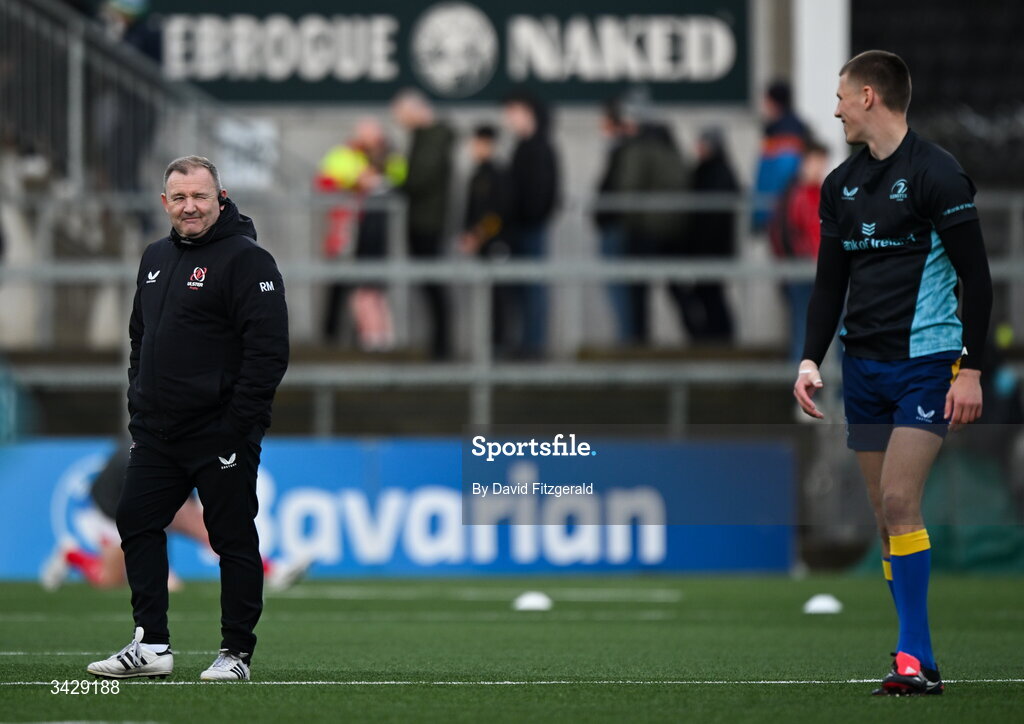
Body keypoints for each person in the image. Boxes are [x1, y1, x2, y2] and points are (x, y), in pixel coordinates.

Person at [793, 51, 992, 696]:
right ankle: (920, 659)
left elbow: (978, 279)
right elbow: (829, 286)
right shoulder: (840, 185)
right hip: (866, 370)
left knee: (903, 502)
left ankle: (913, 658)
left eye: (842, 96)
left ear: (871, 96)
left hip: (927, 366)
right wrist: (808, 359)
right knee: (886, 520)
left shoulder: (938, 174)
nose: (836, 108)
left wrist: (972, 370)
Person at [86, 156, 289, 682]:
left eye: (200, 196)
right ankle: (151, 645)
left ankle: (235, 654)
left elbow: (268, 353)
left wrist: (237, 424)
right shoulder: (154, 258)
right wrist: (139, 402)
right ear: (165, 203)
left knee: (231, 538)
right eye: (179, 198)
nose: (190, 207)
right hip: (157, 431)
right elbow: (140, 339)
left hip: (219, 431)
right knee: (134, 519)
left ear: (220, 198)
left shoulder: (249, 261)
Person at [40, 437, 311, 593]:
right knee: (109, 581)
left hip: (147, 499)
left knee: (212, 530)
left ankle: (272, 571)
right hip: (109, 512)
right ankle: (70, 555)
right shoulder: (140, 456)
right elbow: (138, 517)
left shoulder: (182, 444)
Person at [316, 119, 406, 346]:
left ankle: (366, 339)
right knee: (340, 282)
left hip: (371, 228)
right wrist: (357, 181)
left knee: (368, 285)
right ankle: (332, 336)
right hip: (345, 227)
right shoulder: (343, 154)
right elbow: (324, 182)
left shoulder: (387, 156)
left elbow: (400, 177)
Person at [391, 89, 455, 359]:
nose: (401, 122)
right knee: (430, 285)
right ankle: (439, 346)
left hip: (429, 222)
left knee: (434, 285)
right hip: (422, 220)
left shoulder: (434, 138)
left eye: (403, 116)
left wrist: (396, 186)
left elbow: (420, 178)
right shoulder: (424, 137)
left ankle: (442, 348)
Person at [667, 128, 737, 343]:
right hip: (706, 246)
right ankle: (712, 337)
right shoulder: (707, 171)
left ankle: (717, 338)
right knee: (707, 293)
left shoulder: (716, 173)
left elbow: (713, 218)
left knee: (711, 293)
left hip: (711, 247)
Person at [503, 91, 559, 358]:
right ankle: (526, 343)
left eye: (512, 112)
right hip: (520, 230)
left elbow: (543, 194)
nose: (508, 119)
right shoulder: (525, 146)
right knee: (522, 291)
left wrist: (527, 218)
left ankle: (533, 346)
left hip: (530, 229)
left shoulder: (538, 148)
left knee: (532, 289)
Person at [770, 139, 830, 360]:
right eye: (815, 162)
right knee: (802, 332)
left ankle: (839, 391)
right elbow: (783, 235)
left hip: (827, 272)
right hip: (802, 272)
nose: (818, 168)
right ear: (804, 162)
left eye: (822, 162)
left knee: (835, 332)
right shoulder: (793, 195)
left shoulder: (825, 193)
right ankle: (801, 391)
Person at [458, 124, 511, 355]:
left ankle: (498, 345)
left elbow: (498, 212)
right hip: (482, 243)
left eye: (477, 143)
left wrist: (478, 235)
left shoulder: (497, 174)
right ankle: (490, 344)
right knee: (487, 297)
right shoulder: (478, 173)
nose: (473, 148)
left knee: (498, 297)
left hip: (496, 243)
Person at [592, 98, 634, 344]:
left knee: (620, 287)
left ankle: (626, 341)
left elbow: (617, 191)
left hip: (616, 228)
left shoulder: (622, 152)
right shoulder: (618, 152)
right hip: (613, 227)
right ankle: (625, 339)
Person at [753, 80, 808, 233]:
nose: (763, 105)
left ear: (774, 102)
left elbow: (779, 180)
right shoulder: (779, 132)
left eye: (766, 100)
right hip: (777, 213)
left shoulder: (785, 136)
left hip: (778, 215)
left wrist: (761, 215)